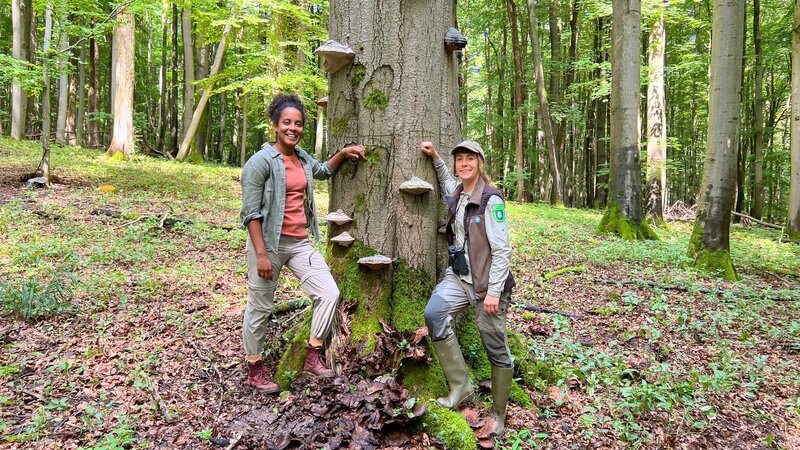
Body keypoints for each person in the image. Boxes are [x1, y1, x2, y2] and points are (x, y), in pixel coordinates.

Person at [240, 93, 365, 393]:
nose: (292, 129)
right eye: (286, 123)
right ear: (275, 124)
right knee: (260, 307)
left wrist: (343, 153)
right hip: (267, 245)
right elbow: (250, 213)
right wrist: (261, 255)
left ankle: (313, 354)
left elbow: (322, 171)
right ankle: (255, 368)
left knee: (328, 292)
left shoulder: (303, 158)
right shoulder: (260, 163)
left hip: (299, 244)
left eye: (297, 124)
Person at [420, 140, 516, 435]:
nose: (464, 164)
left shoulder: (491, 201)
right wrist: (436, 157)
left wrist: (493, 292)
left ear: (480, 163)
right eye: (459, 159)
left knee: (496, 349)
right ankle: (461, 388)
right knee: (434, 314)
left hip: (487, 286)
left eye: (469, 159)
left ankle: (498, 416)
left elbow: (503, 251)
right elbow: (447, 180)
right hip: (459, 278)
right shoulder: (459, 192)